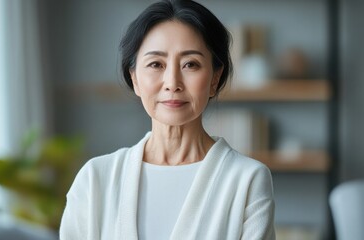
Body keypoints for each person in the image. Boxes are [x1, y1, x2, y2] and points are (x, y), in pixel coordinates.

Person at [59, 0, 275, 239]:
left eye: (190, 64)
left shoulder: (247, 179)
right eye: (156, 64)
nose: (172, 83)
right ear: (135, 79)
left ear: (215, 78)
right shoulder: (95, 179)